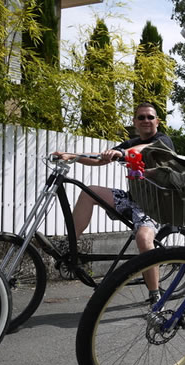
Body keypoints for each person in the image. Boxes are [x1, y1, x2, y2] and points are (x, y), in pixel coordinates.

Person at [52, 103, 175, 302]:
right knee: (89, 192)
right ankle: (70, 247)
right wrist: (73, 156)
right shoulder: (130, 143)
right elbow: (100, 159)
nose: (146, 120)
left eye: (150, 117)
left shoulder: (163, 141)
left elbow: (148, 148)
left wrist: (125, 153)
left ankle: (155, 295)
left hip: (155, 205)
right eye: (141, 117)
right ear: (134, 122)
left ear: (157, 122)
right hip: (132, 199)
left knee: (144, 240)